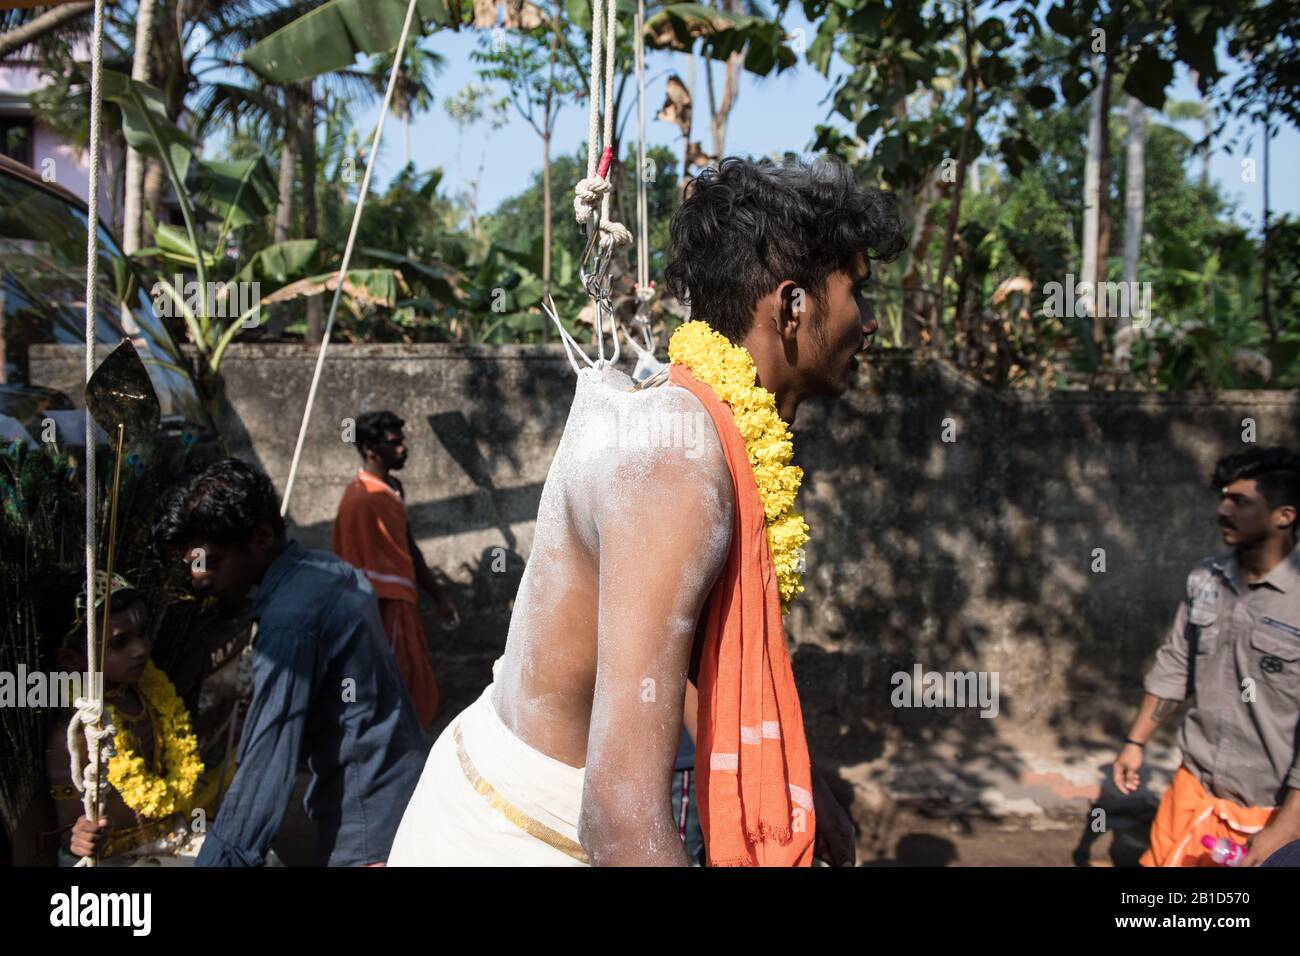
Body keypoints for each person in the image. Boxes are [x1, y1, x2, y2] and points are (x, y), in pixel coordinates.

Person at [390, 155, 907, 866]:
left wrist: (800, 781)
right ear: (793, 305)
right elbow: (619, 819)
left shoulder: (687, 414)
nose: (872, 323)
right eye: (860, 293)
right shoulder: (678, 463)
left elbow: (668, 665)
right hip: (517, 837)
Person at [153, 458, 427, 866]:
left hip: (367, 824)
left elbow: (267, 764)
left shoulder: (289, 623)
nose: (199, 580)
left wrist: (219, 860)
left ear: (261, 537)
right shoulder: (326, 569)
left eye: (208, 561)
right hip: (402, 791)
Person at [1113, 447, 1300, 867]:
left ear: (1284, 516)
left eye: (1240, 501)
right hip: (1193, 792)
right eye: (1222, 497)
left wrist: (1288, 827)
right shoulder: (1205, 579)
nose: (1222, 510)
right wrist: (1134, 742)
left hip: (1271, 809)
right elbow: (1175, 664)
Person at [45, 575, 207, 866]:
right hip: (116, 858)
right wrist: (80, 837)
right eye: (119, 643)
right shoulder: (77, 731)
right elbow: (68, 828)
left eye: (143, 633)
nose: (141, 650)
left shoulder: (154, 694)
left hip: (175, 835)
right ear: (70, 660)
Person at [333, 410, 459, 730]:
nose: (403, 449)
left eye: (403, 441)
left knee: (411, 674)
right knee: (384, 680)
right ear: (371, 450)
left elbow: (407, 545)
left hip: (400, 600)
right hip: (376, 607)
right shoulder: (360, 500)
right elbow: (354, 565)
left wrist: (439, 596)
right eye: (394, 443)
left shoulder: (393, 488)